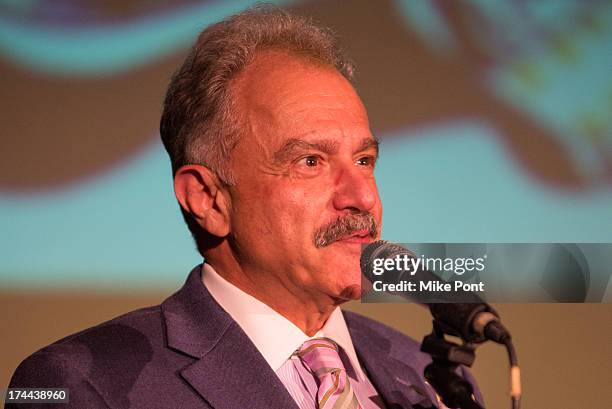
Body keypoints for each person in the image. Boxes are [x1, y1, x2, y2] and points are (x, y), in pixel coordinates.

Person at [7, 6, 481, 409]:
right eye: (310, 161)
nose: (361, 197)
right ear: (207, 199)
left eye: (364, 160)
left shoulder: (425, 375)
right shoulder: (83, 384)